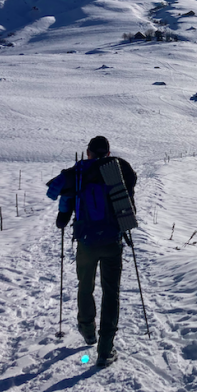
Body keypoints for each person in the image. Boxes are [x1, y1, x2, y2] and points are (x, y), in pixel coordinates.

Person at [46, 136, 137, 366]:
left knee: (85, 285)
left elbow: (58, 197)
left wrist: (62, 219)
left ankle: (88, 331)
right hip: (112, 241)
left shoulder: (77, 172)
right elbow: (130, 195)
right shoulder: (119, 169)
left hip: (86, 242)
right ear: (107, 153)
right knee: (111, 292)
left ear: (88, 152)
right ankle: (105, 350)